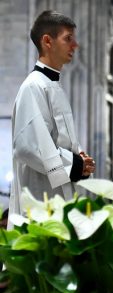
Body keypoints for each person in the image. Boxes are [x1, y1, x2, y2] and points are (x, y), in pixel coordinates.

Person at [9, 10, 95, 223]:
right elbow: (28, 147)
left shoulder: (52, 85)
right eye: (68, 39)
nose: (75, 45)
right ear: (47, 41)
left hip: (56, 198)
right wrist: (74, 165)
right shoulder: (34, 86)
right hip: (39, 200)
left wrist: (81, 158)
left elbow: (59, 139)